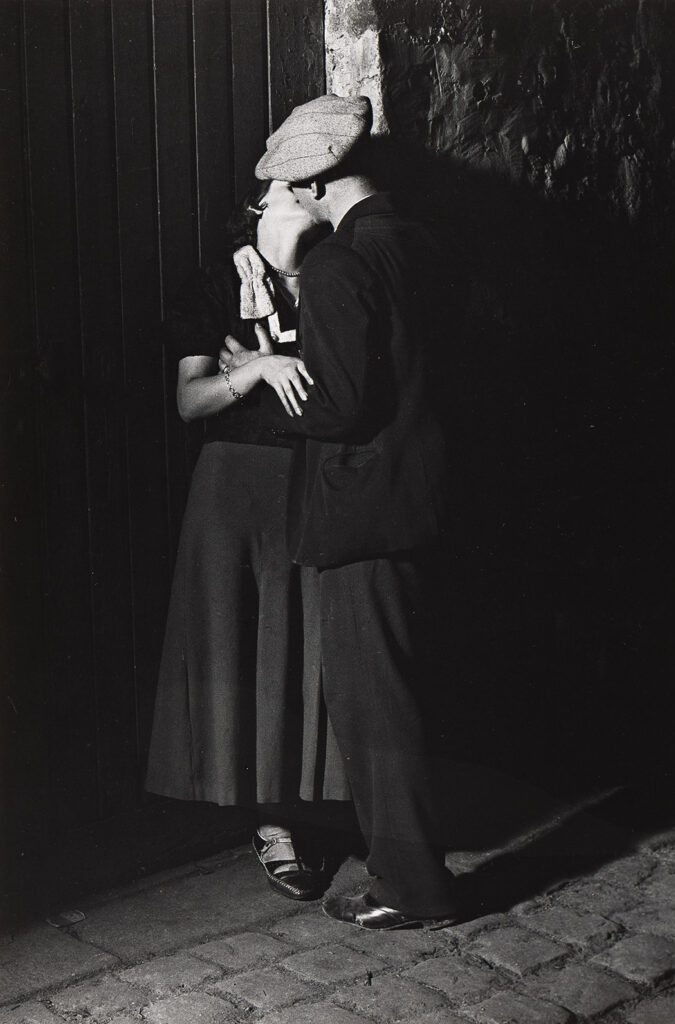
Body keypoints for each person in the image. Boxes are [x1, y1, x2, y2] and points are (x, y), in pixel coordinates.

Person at [220, 94, 460, 929]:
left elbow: (338, 407)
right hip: (423, 497)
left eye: (290, 187)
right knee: (403, 689)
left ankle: (413, 886)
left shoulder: (334, 264)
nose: (285, 202)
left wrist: (273, 357)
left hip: (364, 511)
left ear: (319, 181)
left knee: (374, 705)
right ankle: (414, 868)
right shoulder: (415, 241)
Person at [145, 178, 348, 902]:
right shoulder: (216, 287)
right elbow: (190, 400)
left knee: (312, 646)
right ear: (258, 213)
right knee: (251, 649)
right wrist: (258, 370)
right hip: (236, 489)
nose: (303, 202)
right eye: (284, 194)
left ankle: (320, 802)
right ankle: (274, 825)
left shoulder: (337, 276)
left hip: (315, 482)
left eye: (306, 191)